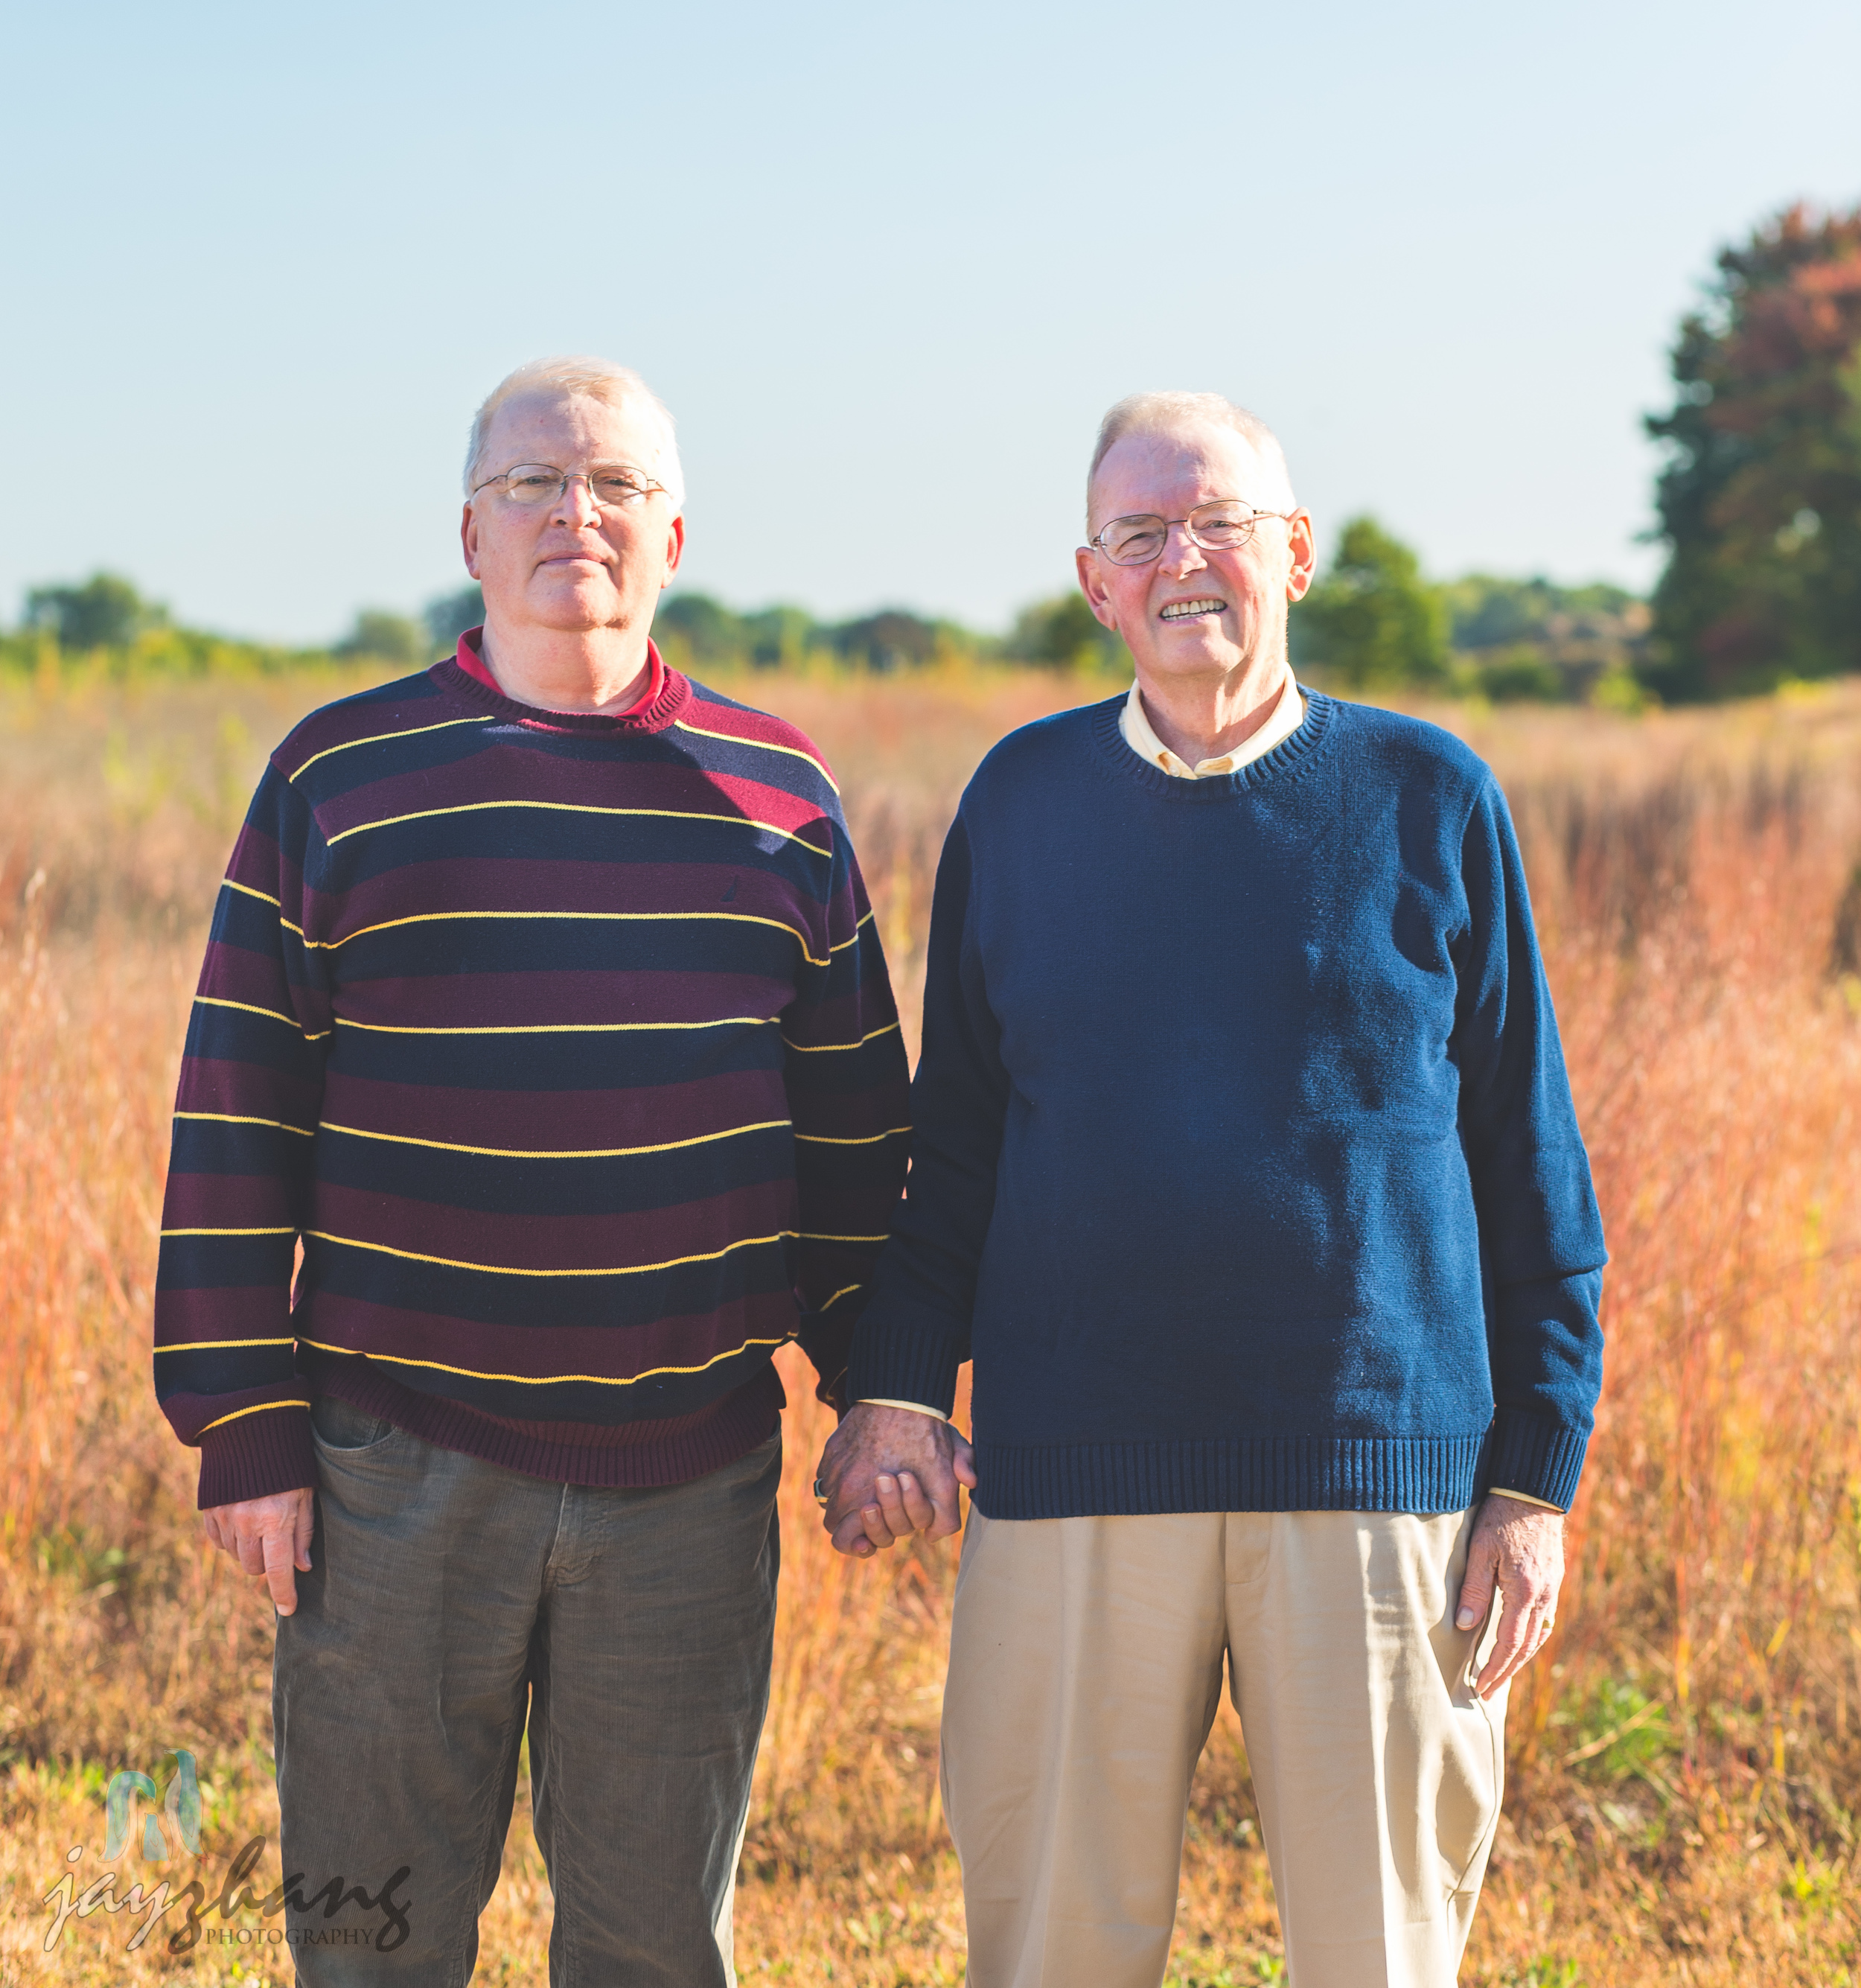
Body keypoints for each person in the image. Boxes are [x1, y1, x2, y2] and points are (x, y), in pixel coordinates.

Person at [817, 389, 1606, 1988]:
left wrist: (1529, 1483)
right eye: (1139, 534)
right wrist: (894, 1393)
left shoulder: (1427, 798)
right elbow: (954, 1139)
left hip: (1377, 1480)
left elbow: (1526, 1160)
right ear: (1093, 580)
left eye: (1220, 524)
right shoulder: (1019, 806)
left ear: (1293, 555)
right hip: (1069, 1475)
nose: (1183, 559)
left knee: (1376, 1957)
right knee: (1047, 1953)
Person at [153, 355, 909, 1988]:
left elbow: (852, 1135)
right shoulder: (337, 778)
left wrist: (879, 1390)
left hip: (689, 1484)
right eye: (535, 487)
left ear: (675, 535)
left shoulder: (780, 800)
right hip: (392, 1469)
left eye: (617, 486)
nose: (579, 515)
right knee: (374, 1937)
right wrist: (242, 1425)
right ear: (473, 535)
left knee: (651, 1947)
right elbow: (235, 1111)